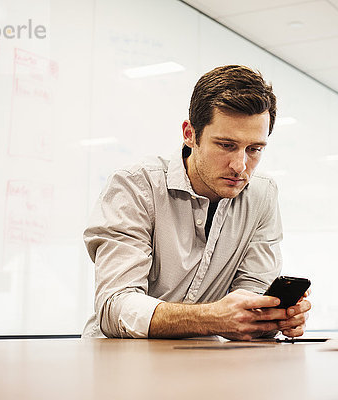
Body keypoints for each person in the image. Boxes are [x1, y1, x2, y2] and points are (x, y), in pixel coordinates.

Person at [82, 65, 311, 340]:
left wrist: (272, 318)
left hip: (205, 364)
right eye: (226, 145)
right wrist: (213, 318)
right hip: (123, 362)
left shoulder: (262, 195)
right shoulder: (135, 186)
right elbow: (115, 308)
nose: (240, 166)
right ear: (190, 134)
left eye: (254, 149)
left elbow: (251, 299)